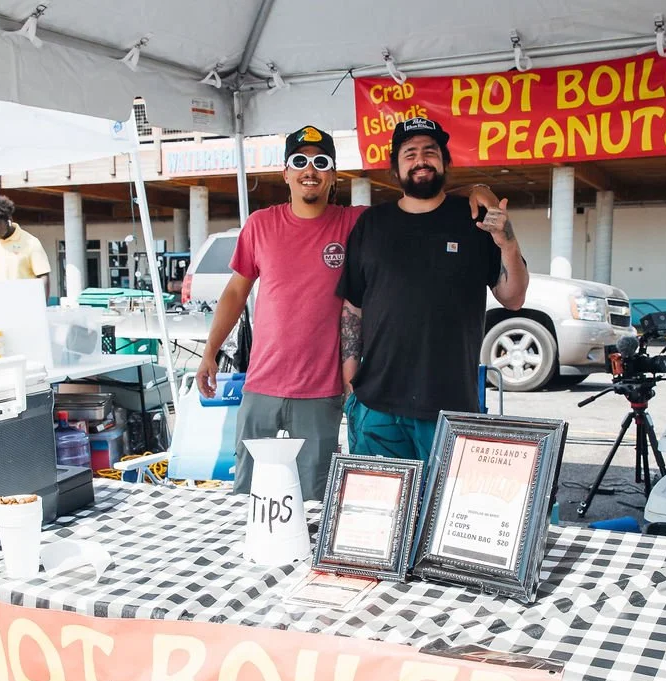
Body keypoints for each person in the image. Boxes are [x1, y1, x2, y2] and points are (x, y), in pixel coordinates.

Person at [194, 124, 501, 499]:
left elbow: (420, 197)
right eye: (299, 162)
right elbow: (234, 293)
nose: (310, 170)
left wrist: (475, 189)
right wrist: (209, 352)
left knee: (314, 500)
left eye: (321, 162)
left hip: (322, 392)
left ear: (334, 175)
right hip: (261, 386)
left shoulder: (355, 223)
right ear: (286, 173)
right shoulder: (260, 224)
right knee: (250, 494)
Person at [338, 116, 528, 463]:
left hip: (449, 404)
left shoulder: (475, 220)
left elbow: (513, 298)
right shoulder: (371, 224)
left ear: (445, 161)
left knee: (443, 499)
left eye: (430, 151)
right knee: (380, 498)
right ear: (395, 168)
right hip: (376, 406)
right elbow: (353, 307)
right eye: (409, 154)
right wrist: (351, 387)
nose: (420, 160)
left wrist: (508, 242)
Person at [0, 194, 51, 319]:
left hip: (24, 308)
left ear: (9, 219)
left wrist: (41, 307)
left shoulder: (31, 242)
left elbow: (43, 276)